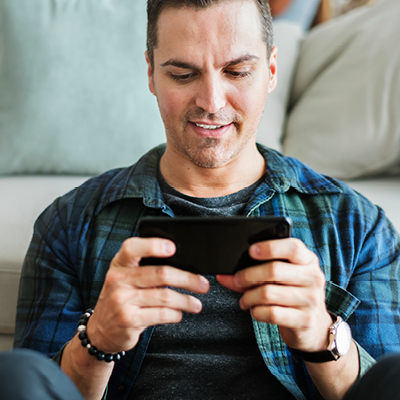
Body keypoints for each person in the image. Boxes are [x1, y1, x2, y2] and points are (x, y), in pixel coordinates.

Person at [12, 0, 400, 399]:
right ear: (151, 73)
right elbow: (34, 385)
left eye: (237, 71)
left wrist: (323, 337)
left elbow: (385, 384)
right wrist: (97, 341)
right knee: (17, 373)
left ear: (270, 70)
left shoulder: (358, 225)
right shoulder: (69, 223)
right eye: (183, 74)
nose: (212, 102)